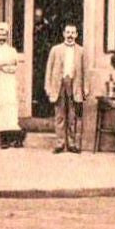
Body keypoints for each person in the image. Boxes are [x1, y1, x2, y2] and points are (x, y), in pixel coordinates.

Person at [44, 23, 86, 154]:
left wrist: (86, 88)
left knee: (72, 116)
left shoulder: (81, 51)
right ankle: (60, 143)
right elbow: (49, 69)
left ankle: (72, 144)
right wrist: (48, 87)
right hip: (59, 84)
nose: (70, 35)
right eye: (68, 32)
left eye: (73, 33)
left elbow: (85, 71)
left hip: (74, 85)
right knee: (59, 116)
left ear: (76, 35)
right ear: (63, 34)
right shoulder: (55, 50)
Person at [0, 23, 23, 149]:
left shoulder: (11, 50)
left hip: (8, 82)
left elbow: (14, 66)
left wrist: (2, 66)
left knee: (10, 107)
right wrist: (3, 65)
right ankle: (3, 139)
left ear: (7, 36)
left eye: (4, 34)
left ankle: (14, 138)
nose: (1, 37)